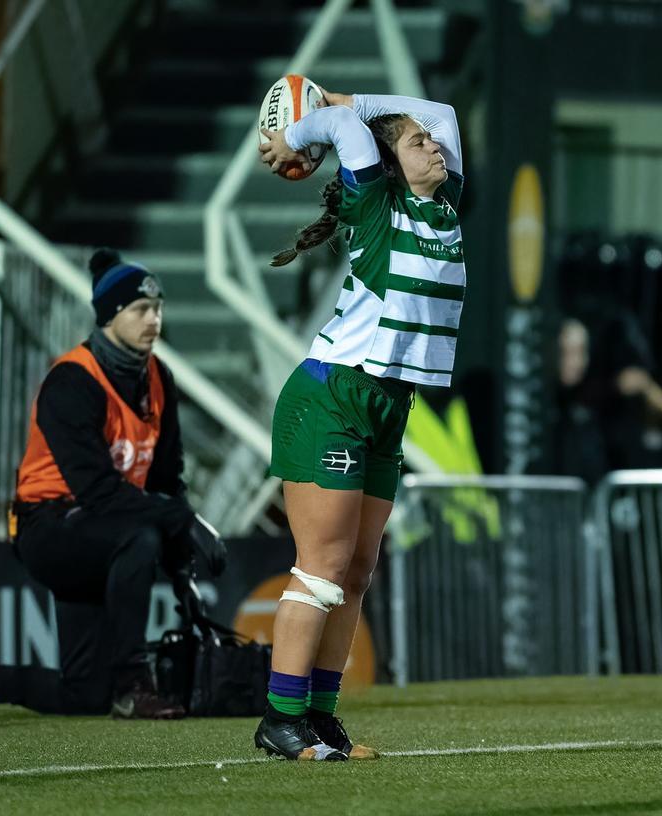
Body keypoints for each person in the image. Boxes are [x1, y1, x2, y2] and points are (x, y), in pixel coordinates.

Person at [0, 249, 225, 719]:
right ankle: (132, 683)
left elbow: (165, 481)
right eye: (140, 309)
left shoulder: (159, 378)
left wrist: (182, 569)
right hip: (47, 527)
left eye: (157, 309)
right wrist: (182, 521)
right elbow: (98, 490)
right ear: (110, 315)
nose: (153, 319)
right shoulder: (72, 381)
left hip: (101, 529)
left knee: (83, 695)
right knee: (139, 538)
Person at [254, 83, 465, 761]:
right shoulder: (378, 206)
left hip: (386, 405)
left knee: (358, 570)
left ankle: (319, 716)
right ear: (388, 165)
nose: (432, 143)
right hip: (332, 400)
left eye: (429, 144)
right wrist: (304, 129)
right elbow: (346, 130)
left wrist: (346, 96)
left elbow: (443, 114)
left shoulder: (441, 206)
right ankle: (280, 719)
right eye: (415, 144)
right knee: (321, 568)